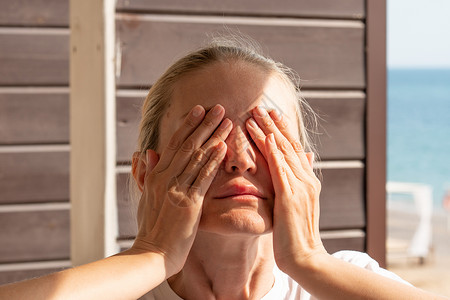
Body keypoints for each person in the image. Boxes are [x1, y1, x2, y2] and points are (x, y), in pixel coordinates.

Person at [0, 37, 447, 300]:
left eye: (261, 134)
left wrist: (311, 262)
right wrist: (150, 256)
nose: (238, 157)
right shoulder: (112, 290)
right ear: (144, 172)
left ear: (303, 172)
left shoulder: (345, 282)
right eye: (206, 135)